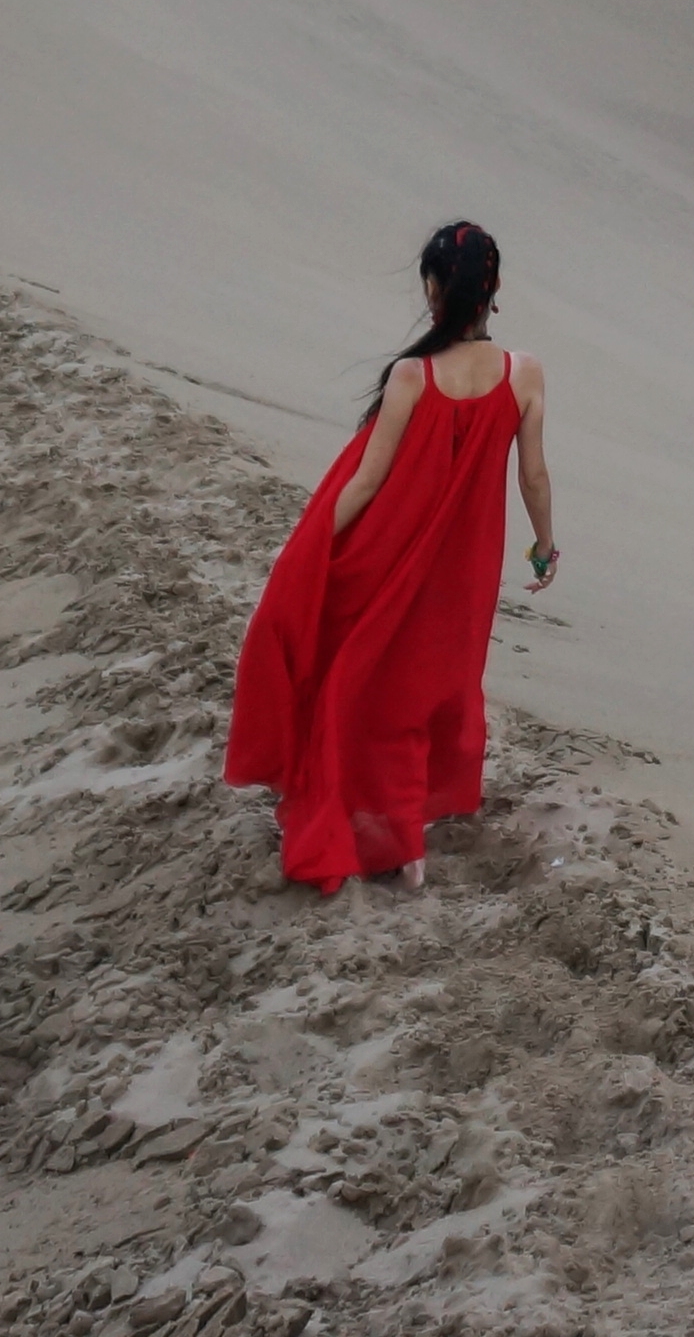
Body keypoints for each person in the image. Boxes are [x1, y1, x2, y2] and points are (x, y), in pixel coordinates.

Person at [223, 219, 558, 889]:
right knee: (438, 688)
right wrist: (544, 548)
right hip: (466, 571)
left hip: (398, 560)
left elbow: (366, 483)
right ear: (493, 290)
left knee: (373, 687)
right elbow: (533, 476)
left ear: (435, 291)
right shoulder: (523, 373)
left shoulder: (413, 376)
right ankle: (410, 843)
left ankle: (395, 837)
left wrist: (309, 547)